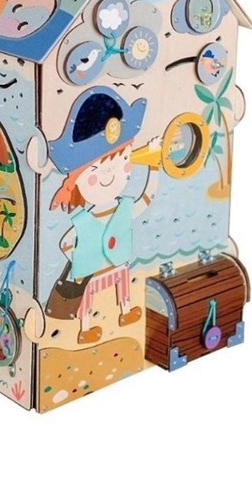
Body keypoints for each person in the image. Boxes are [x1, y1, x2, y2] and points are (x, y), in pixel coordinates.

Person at [46, 87, 160, 344]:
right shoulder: (82, 219)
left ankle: (125, 311)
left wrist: (154, 166)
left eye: (123, 161)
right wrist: (80, 258)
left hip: (116, 264)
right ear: (75, 180)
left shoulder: (123, 207)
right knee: (87, 298)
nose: (109, 175)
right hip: (92, 271)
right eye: (96, 170)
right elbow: (65, 243)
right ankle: (85, 328)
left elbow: (146, 198)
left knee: (123, 282)